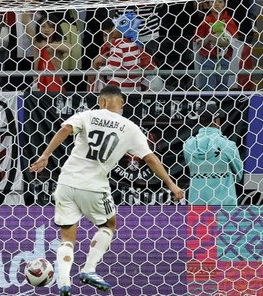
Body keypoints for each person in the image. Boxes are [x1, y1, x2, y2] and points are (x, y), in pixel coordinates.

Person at [29, 85, 184, 295]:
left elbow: (65, 129)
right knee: (109, 224)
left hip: (66, 182)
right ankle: (89, 269)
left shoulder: (86, 115)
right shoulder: (129, 127)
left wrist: (46, 155)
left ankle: (64, 283)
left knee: (67, 237)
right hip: (94, 186)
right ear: (121, 103)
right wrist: (171, 184)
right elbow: (150, 158)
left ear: (101, 101)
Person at [183, 104, 243, 206]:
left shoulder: (188, 145)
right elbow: (239, 174)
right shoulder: (227, 145)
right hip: (224, 205)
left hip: (197, 203)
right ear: (216, 121)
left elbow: (191, 167)